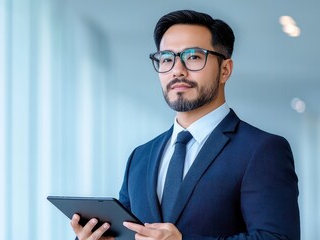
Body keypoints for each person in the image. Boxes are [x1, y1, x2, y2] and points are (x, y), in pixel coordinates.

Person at [70, 9, 300, 240]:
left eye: (193, 57)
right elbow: (131, 233)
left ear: (225, 70)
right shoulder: (140, 157)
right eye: (167, 59)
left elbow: (278, 237)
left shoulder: (262, 149)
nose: (177, 71)